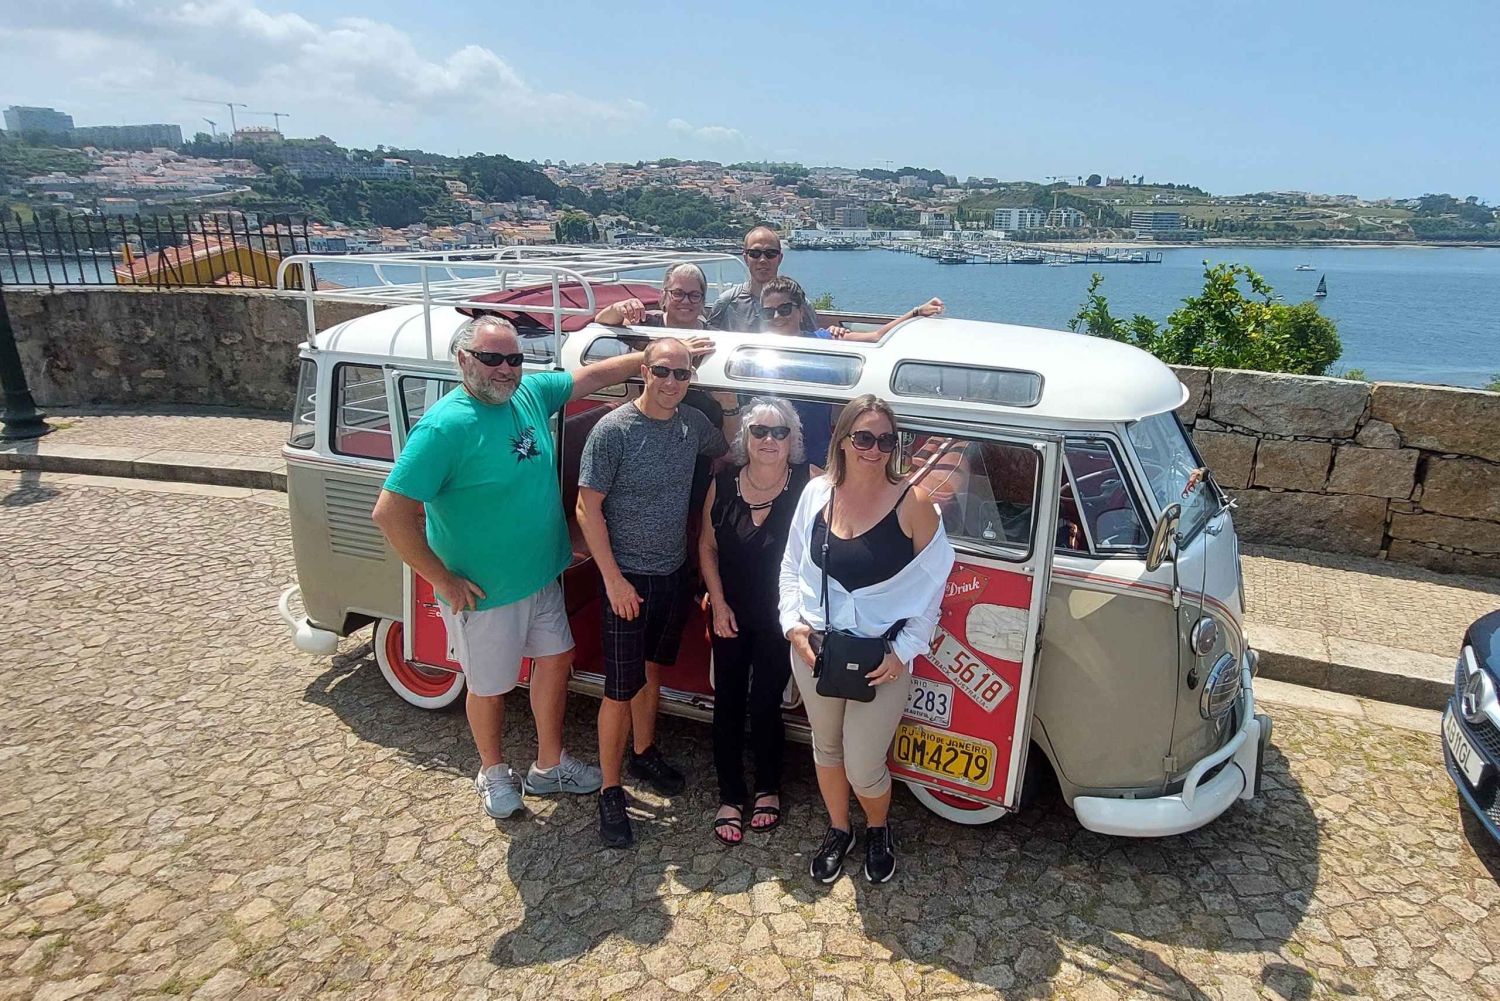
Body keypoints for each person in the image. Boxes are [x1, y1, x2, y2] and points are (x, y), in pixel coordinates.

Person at [373, 316, 705, 822]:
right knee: (490, 685)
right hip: (485, 588)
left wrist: (660, 360)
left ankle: (549, 765)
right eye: (492, 358)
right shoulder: (444, 426)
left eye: (514, 358)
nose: (506, 369)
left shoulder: (525, 394)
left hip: (541, 575)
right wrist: (442, 579)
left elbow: (589, 378)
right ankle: (493, 771)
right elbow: (390, 513)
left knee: (556, 661)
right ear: (464, 360)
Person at [778, 395, 954, 883]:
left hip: (881, 658)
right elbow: (792, 565)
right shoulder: (817, 493)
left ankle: (877, 828)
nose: (873, 450)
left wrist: (903, 653)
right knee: (826, 749)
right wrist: (792, 625)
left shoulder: (913, 503)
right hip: (816, 649)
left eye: (884, 440)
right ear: (843, 440)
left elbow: (934, 585)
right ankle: (840, 830)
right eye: (863, 438)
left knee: (863, 764)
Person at [576, 336, 730, 847]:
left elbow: (727, 452)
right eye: (662, 371)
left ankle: (644, 753)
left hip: (671, 572)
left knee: (653, 671)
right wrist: (613, 579)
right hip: (626, 579)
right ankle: (610, 790)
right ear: (644, 371)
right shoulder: (614, 430)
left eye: (682, 374)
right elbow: (586, 508)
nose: (671, 383)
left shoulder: (693, 426)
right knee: (619, 689)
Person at [698, 397, 818, 845]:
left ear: (793, 441)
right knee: (727, 700)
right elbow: (707, 547)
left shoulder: (811, 482)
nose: (770, 440)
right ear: (745, 438)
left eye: (780, 432)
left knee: (766, 700)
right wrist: (718, 600)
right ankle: (730, 794)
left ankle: (768, 787)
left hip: (783, 616)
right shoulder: (724, 481)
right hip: (730, 610)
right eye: (760, 432)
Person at [758, 276, 945, 463]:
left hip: (818, 453)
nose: (777, 317)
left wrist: (916, 313)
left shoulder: (825, 341)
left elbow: (877, 336)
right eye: (768, 312)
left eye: (784, 309)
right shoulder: (754, 352)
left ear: (800, 312)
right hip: (770, 452)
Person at [707, 226, 822, 333]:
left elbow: (813, 342)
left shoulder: (799, 305)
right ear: (746, 258)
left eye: (770, 253)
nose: (762, 260)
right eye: (755, 253)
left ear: (780, 258)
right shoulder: (726, 303)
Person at [594, 262, 709, 330]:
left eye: (694, 295)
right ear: (664, 295)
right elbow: (601, 322)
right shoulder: (643, 325)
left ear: (702, 299)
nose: (685, 301)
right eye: (677, 293)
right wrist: (617, 309)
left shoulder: (715, 336)